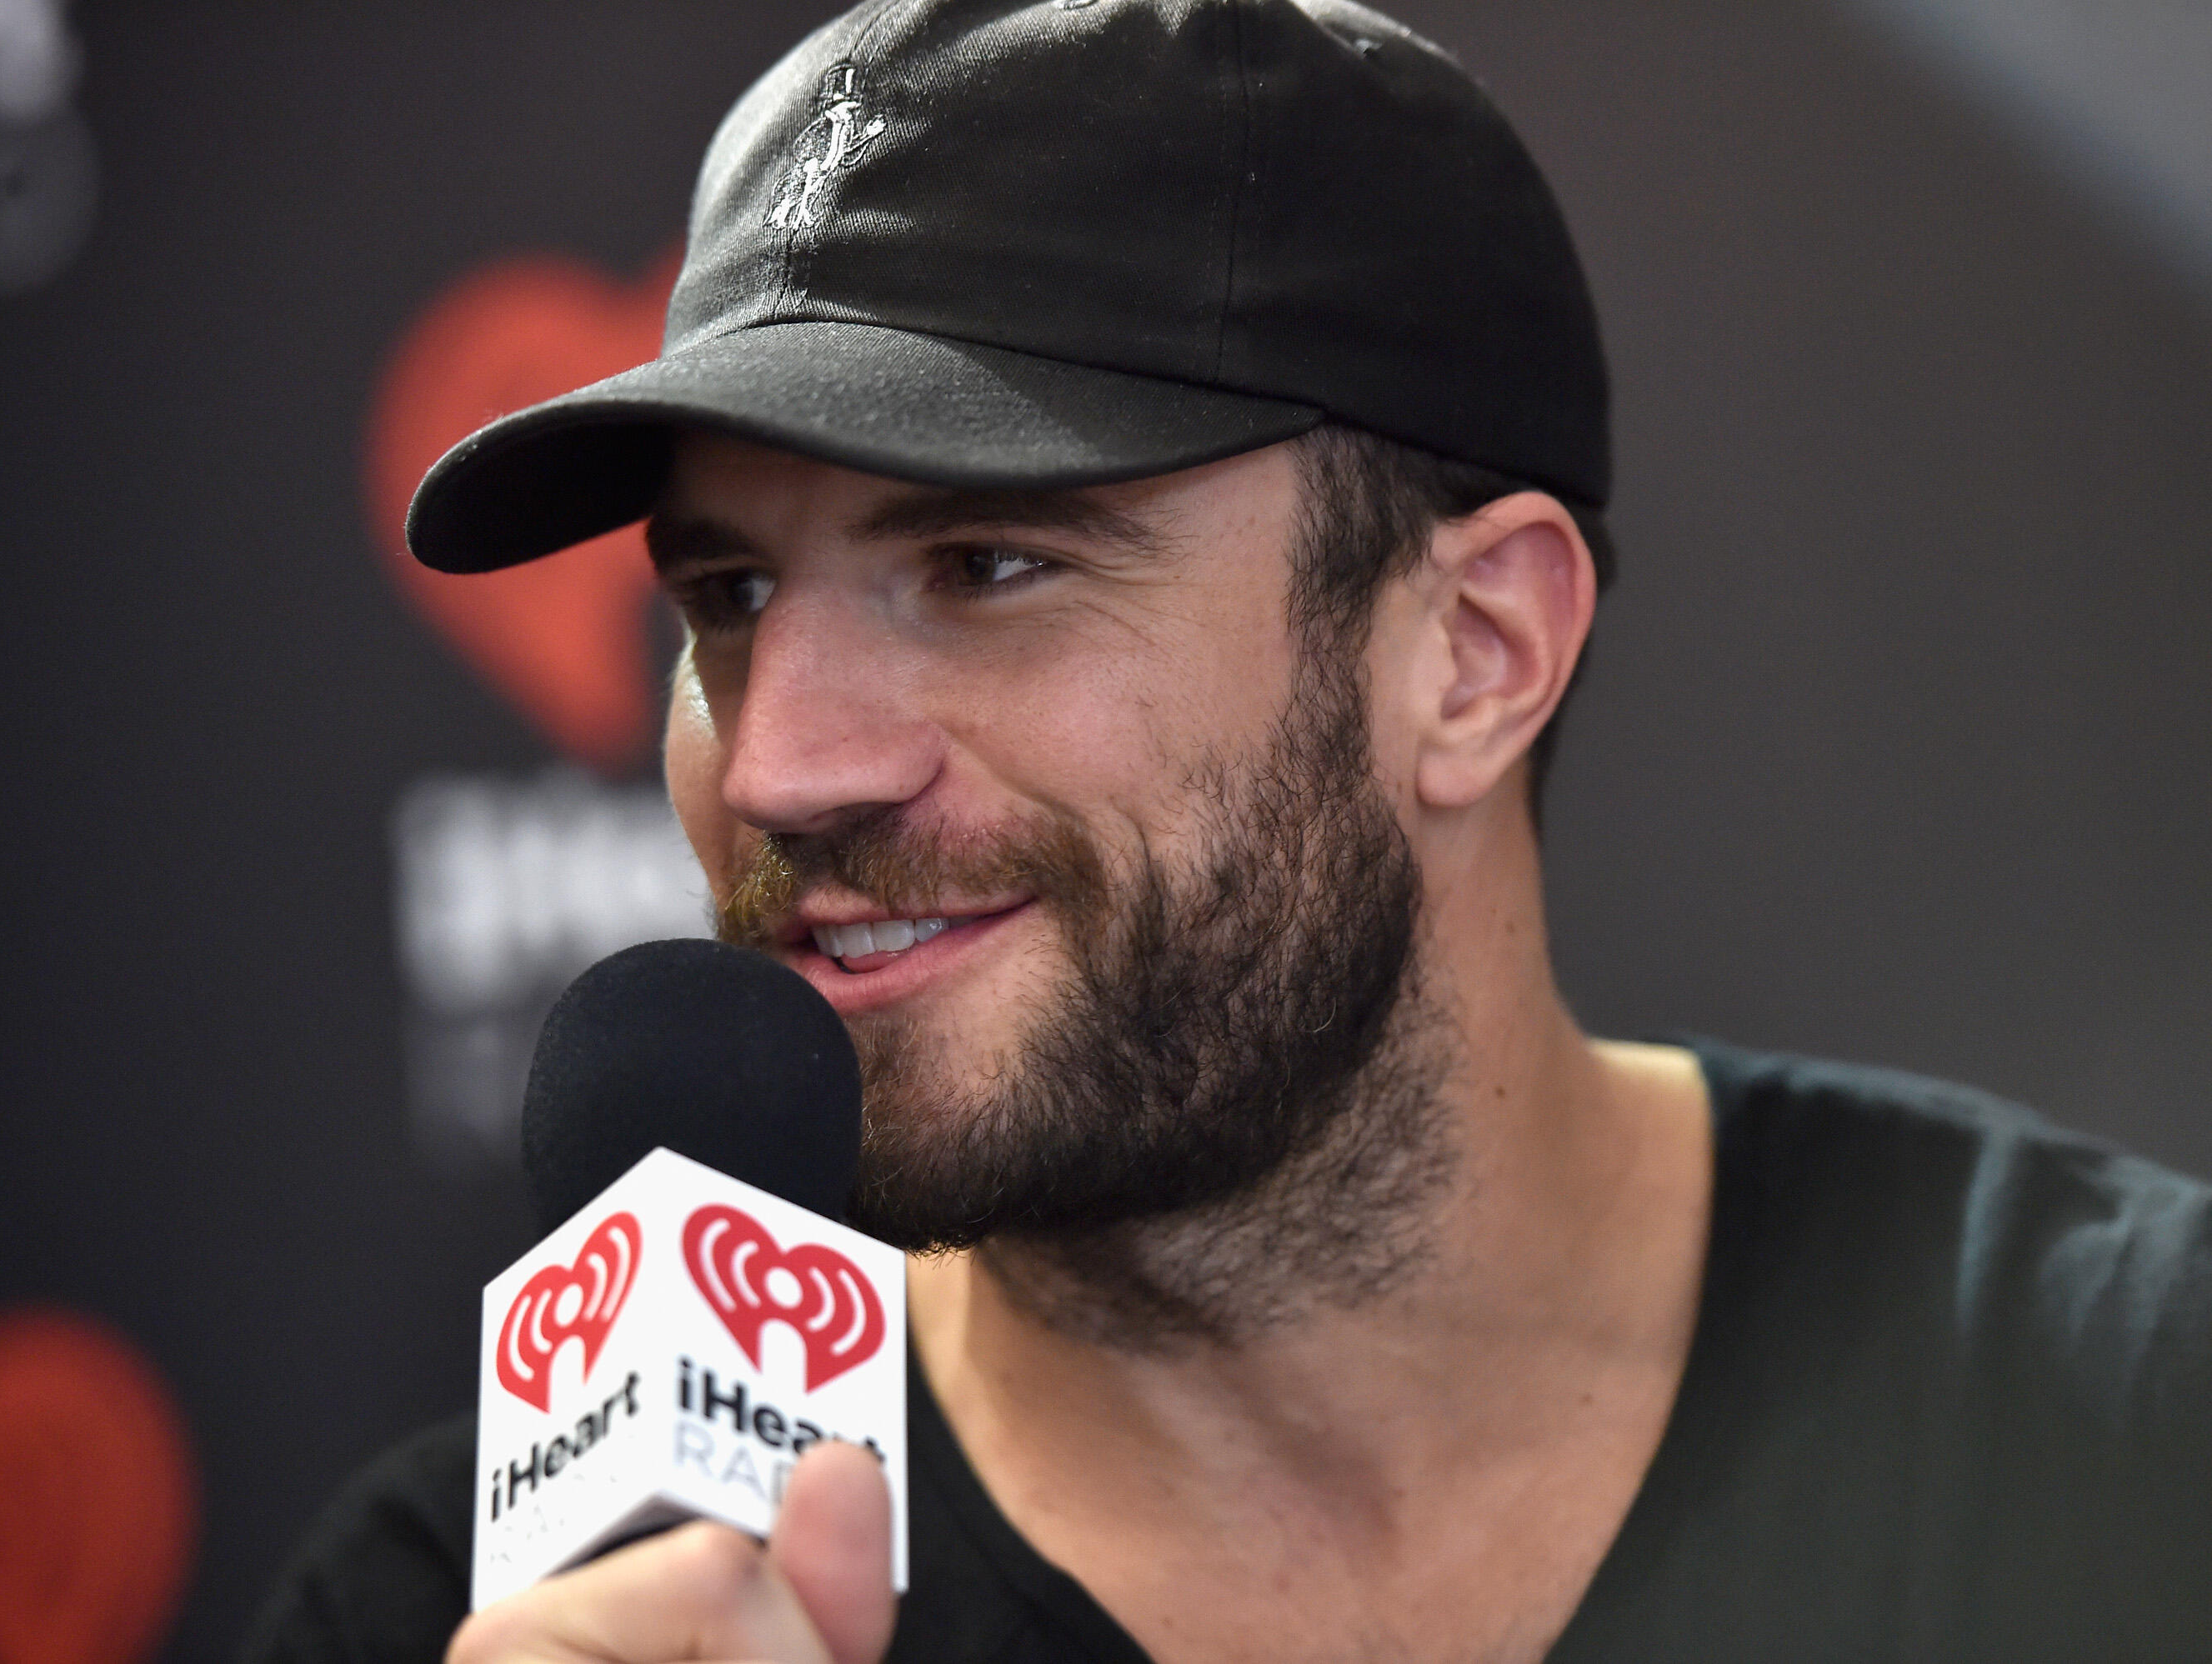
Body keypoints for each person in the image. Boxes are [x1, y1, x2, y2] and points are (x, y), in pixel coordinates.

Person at [244, 2, 2212, 1659]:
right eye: (728, 598)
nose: (780, 767)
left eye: (988, 559)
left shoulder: (2128, 1424)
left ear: (1473, 652)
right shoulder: (477, 1613)